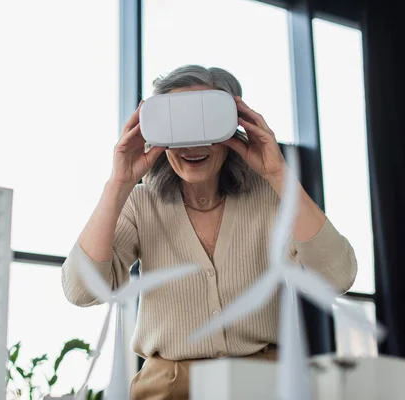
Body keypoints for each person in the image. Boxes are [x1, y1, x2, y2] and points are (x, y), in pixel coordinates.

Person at [61, 65, 357, 399]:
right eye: (178, 126)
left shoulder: (272, 198)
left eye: (205, 121)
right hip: (167, 388)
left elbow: (338, 277)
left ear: (235, 122)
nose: (191, 144)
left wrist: (279, 175)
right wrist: (118, 184)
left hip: (264, 385)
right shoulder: (142, 203)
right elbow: (81, 291)